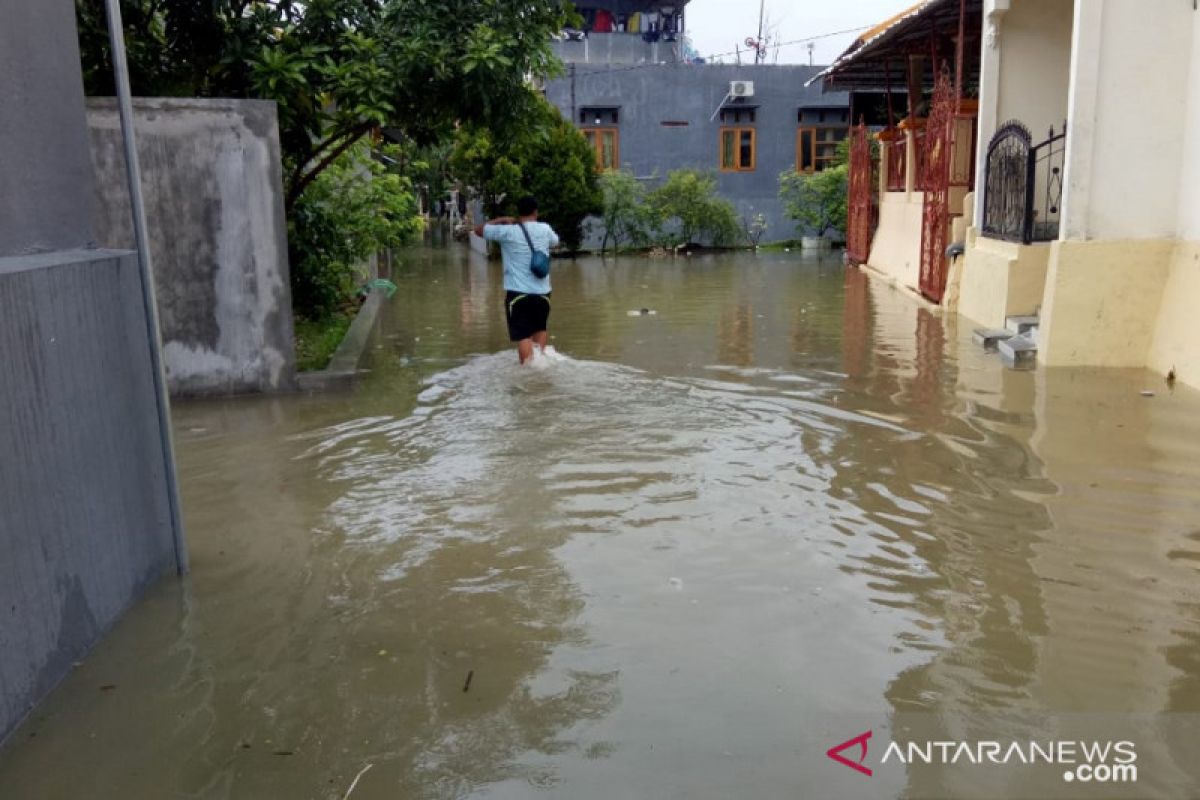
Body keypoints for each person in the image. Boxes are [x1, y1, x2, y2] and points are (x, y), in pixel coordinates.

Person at [474, 197, 560, 364]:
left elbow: (478, 230)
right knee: (540, 328)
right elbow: (555, 242)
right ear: (536, 212)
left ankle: (528, 373)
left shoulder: (508, 231)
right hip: (543, 293)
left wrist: (502, 220)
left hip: (518, 294)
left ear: (518, 213)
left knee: (523, 335)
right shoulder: (545, 228)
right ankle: (540, 366)